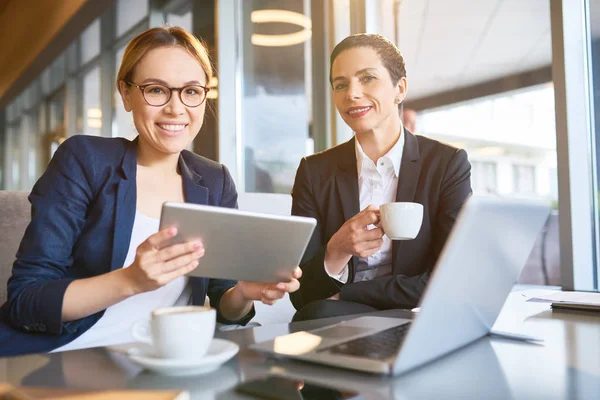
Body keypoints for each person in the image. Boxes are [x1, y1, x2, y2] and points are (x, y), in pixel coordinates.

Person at [0, 26, 300, 356]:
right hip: (67, 355)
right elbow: (25, 300)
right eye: (156, 90)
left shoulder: (214, 181)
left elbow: (224, 305)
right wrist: (131, 280)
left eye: (191, 91)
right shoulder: (85, 160)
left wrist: (244, 292)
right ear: (126, 94)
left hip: (165, 361)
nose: (175, 108)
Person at [290, 34, 471, 321]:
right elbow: (301, 295)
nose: (352, 93)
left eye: (368, 78)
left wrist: (352, 293)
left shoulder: (446, 164)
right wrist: (338, 249)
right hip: (338, 315)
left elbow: (450, 277)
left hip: (420, 314)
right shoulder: (314, 171)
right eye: (341, 84)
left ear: (400, 88)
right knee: (315, 313)